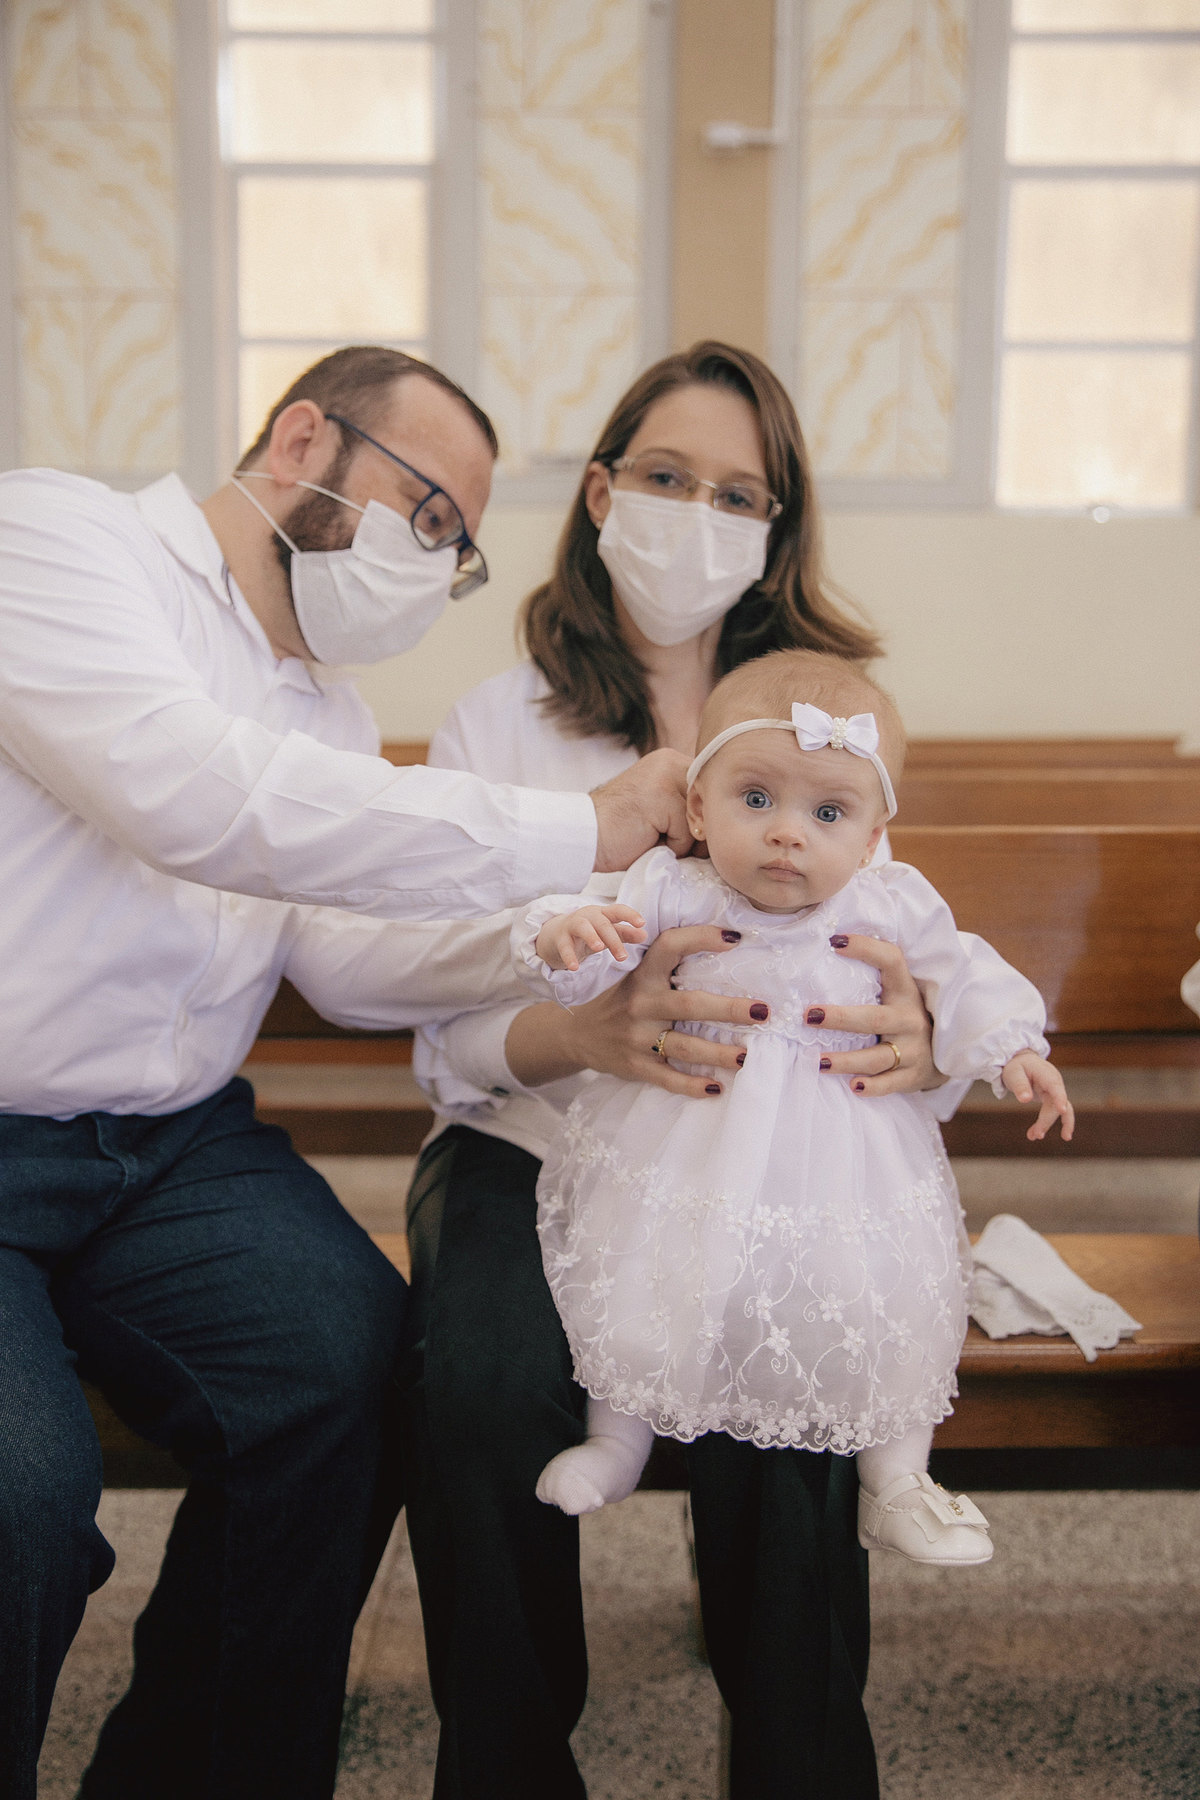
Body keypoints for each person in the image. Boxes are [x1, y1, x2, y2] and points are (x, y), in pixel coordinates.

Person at [0, 344, 694, 1800]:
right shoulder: (59, 539)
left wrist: (558, 931)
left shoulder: (317, 709)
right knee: (20, 1495)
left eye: (456, 543)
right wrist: (577, 827)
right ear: (304, 435)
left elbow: (351, 961)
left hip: (165, 1148)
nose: (431, 560)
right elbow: (189, 795)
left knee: (352, 1363)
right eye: (424, 507)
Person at [402, 343, 955, 1799]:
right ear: (600, 493)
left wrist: (926, 1043)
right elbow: (440, 1027)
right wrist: (577, 1032)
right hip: (535, 1132)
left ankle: (802, 1764)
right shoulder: (500, 726)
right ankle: (511, 1768)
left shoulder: (828, 720)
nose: (698, 511)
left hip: (774, 1147)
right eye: (666, 477)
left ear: (776, 527)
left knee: (790, 1387)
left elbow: (896, 957)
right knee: (483, 1384)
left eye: (739, 492)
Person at [523, 648, 1073, 1565]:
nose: (788, 834)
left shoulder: (890, 902)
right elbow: (590, 954)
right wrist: (568, 934)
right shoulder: (670, 886)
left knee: (877, 1303)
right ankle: (619, 1442)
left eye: (827, 812)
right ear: (697, 806)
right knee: (647, 1279)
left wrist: (1014, 1048)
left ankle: (896, 1477)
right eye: (756, 800)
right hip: (688, 1147)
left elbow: (966, 973)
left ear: (870, 838)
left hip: (845, 1165)